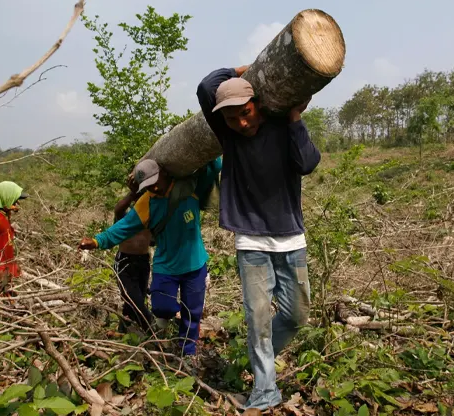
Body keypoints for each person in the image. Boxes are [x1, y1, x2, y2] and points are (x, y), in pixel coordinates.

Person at [197, 66, 321, 413]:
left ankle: (255, 354)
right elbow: (207, 86)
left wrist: (296, 118)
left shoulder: (284, 126)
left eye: (246, 113)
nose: (242, 123)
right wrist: (241, 70)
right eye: (233, 118)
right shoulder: (230, 136)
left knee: (297, 315)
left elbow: (308, 163)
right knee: (258, 319)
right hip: (251, 241)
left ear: (258, 105)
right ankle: (265, 389)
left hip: (291, 238)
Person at [78, 157, 222, 356]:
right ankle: (161, 329)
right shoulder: (147, 202)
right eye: (147, 186)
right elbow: (123, 227)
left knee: (192, 313)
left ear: (163, 174)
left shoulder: (189, 188)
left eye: (154, 183)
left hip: (194, 264)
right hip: (166, 267)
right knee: (162, 307)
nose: (153, 189)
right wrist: (96, 241)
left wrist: (209, 148)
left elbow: (215, 166)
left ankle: (186, 353)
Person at [111, 174, 155, 334]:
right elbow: (118, 209)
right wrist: (131, 193)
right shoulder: (126, 216)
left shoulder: (151, 216)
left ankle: (124, 332)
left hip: (143, 261)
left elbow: (154, 240)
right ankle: (150, 331)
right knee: (133, 299)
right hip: (125, 262)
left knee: (137, 299)